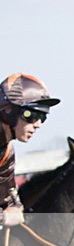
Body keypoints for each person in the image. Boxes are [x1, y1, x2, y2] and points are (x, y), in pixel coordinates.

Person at [0, 73, 60, 230]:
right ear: (7, 110)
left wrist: (15, 207)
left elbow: (10, 201)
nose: (38, 124)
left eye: (43, 117)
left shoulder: (6, 153)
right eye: (31, 115)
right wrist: (3, 217)